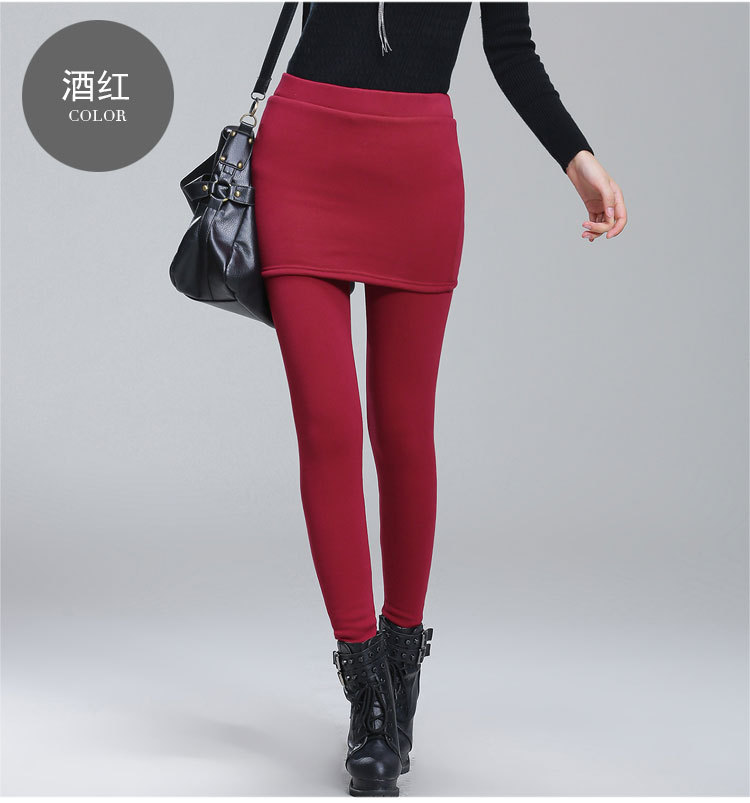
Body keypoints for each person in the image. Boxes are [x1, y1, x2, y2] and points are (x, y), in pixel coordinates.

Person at [251, 2, 628, 796]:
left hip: (414, 169)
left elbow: (510, 49)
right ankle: (368, 696)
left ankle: (401, 664)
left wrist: (579, 159)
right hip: (302, 152)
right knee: (327, 427)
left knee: (401, 430)